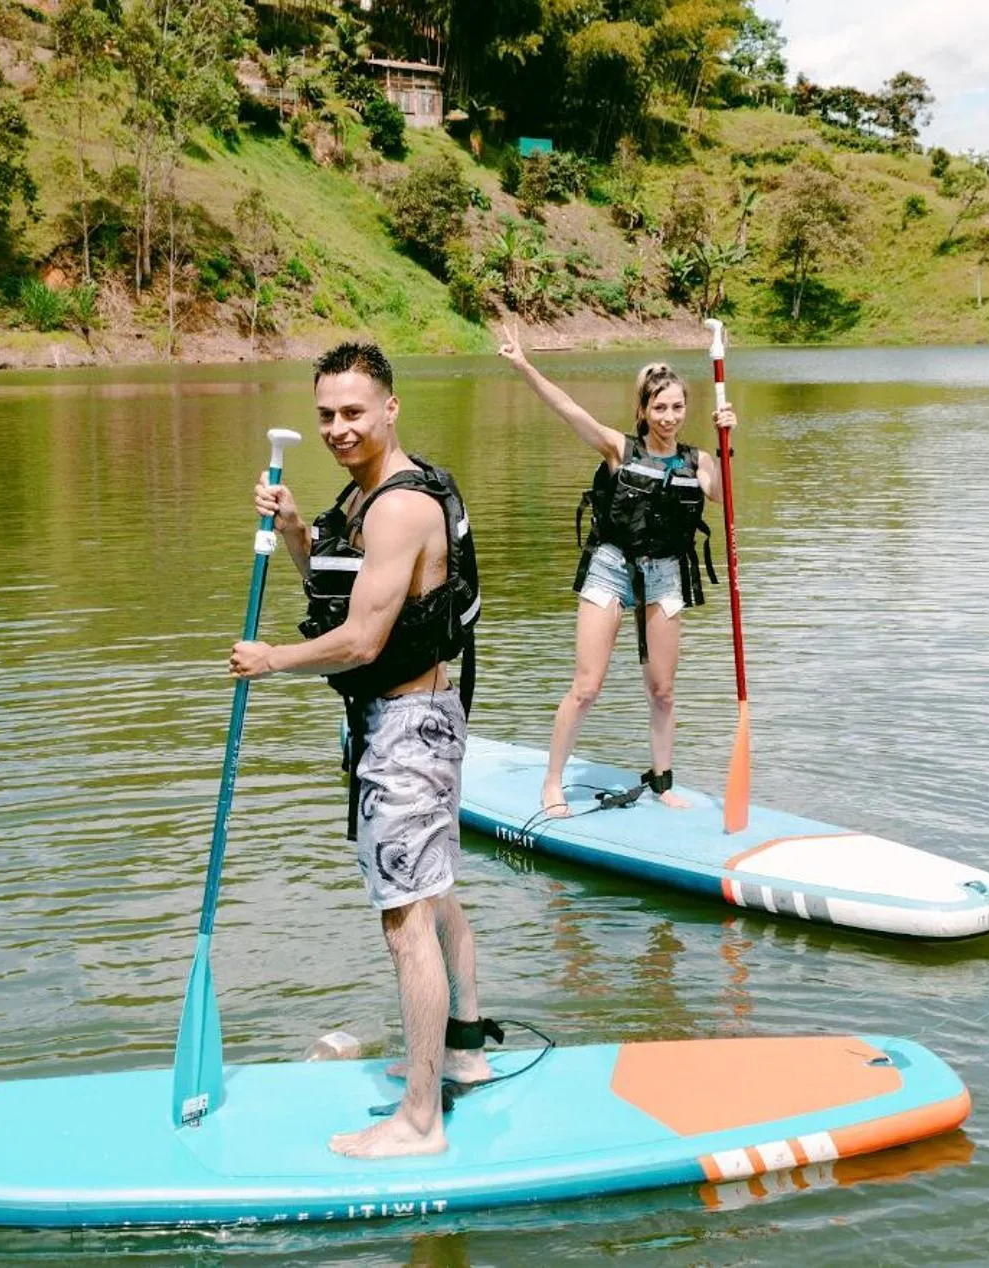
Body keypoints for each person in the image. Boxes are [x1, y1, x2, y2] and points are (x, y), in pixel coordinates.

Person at [227, 341, 490, 1159]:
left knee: (405, 918)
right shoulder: (369, 494)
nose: (338, 428)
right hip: (419, 722)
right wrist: (302, 529)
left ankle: (419, 1121)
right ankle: (466, 1053)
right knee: (436, 892)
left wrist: (271, 659)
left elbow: (365, 638)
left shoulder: (401, 506)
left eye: (353, 412)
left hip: (409, 731)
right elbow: (342, 587)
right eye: (326, 416)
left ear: (390, 408)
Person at [498, 325, 737, 817]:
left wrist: (728, 440)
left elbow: (721, 494)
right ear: (643, 410)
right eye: (660, 408)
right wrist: (524, 366)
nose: (669, 418)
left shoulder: (699, 460)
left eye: (677, 407)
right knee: (587, 686)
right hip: (611, 569)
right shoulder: (618, 449)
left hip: (666, 575)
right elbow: (568, 410)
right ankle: (552, 781)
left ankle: (662, 780)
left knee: (664, 691)